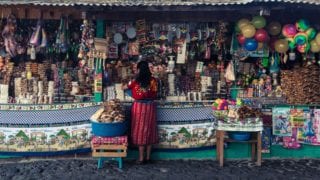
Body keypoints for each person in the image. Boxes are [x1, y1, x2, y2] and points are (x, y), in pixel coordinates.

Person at [123, 60, 158, 165]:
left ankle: (141, 158)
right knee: (150, 130)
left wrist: (131, 92)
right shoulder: (153, 81)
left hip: (139, 107)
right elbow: (155, 93)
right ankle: (148, 157)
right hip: (150, 107)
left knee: (140, 131)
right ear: (148, 69)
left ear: (138, 69)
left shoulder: (135, 81)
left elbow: (124, 87)